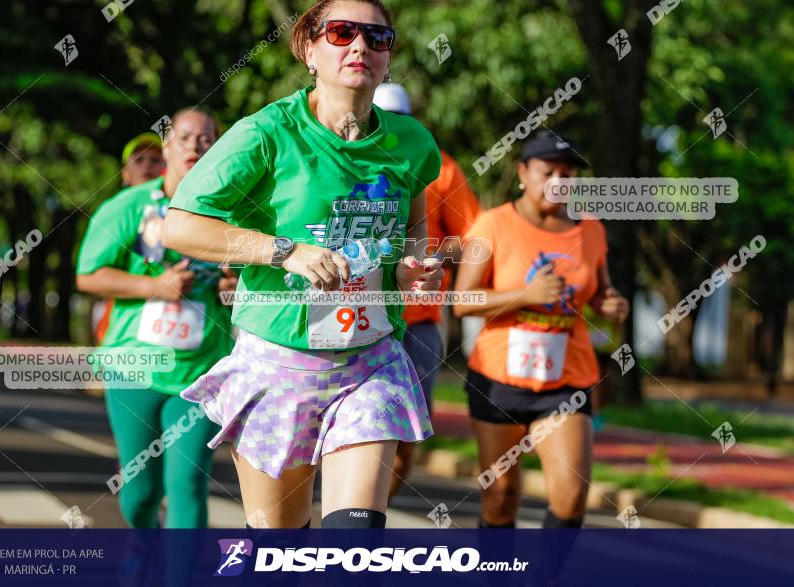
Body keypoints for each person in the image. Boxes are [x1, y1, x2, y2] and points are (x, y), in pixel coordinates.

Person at [162, 0, 443, 529]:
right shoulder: (266, 133)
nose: (360, 46)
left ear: (388, 57)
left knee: (352, 539)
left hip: (369, 363)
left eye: (377, 37)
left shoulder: (412, 143)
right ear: (309, 49)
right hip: (278, 364)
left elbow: (412, 228)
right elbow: (181, 225)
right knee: (280, 548)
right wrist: (285, 252)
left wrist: (410, 268)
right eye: (341, 33)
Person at [453, 131, 629, 529]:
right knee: (501, 497)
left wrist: (610, 303)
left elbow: (600, 292)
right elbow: (463, 301)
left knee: (570, 499)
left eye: (567, 175)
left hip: (567, 379)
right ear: (522, 173)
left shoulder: (591, 231)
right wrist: (526, 294)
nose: (558, 183)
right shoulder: (492, 224)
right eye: (547, 171)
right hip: (499, 379)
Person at [76, 107, 237, 529]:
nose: (195, 147)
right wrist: (155, 287)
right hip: (135, 367)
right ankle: (142, 550)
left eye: (206, 140)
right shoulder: (130, 207)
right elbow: (88, 275)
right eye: (185, 138)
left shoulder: (234, 212)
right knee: (140, 493)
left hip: (202, 371)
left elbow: (254, 283)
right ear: (167, 146)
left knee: (186, 483)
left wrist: (235, 286)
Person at [371, 82, 482, 499]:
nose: (392, 127)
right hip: (352, 315)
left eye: (402, 118)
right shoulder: (339, 159)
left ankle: (370, 507)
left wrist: (427, 251)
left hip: (418, 319)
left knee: (406, 432)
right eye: (383, 117)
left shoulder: (440, 167)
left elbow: (472, 236)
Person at [92, 133, 167, 345]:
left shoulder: (182, 210)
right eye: (139, 159)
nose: (147, 166)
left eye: (155, 160)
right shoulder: (115, 211)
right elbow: (90, 277)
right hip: (123, 337)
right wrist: (158, 287)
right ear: (125, 173)